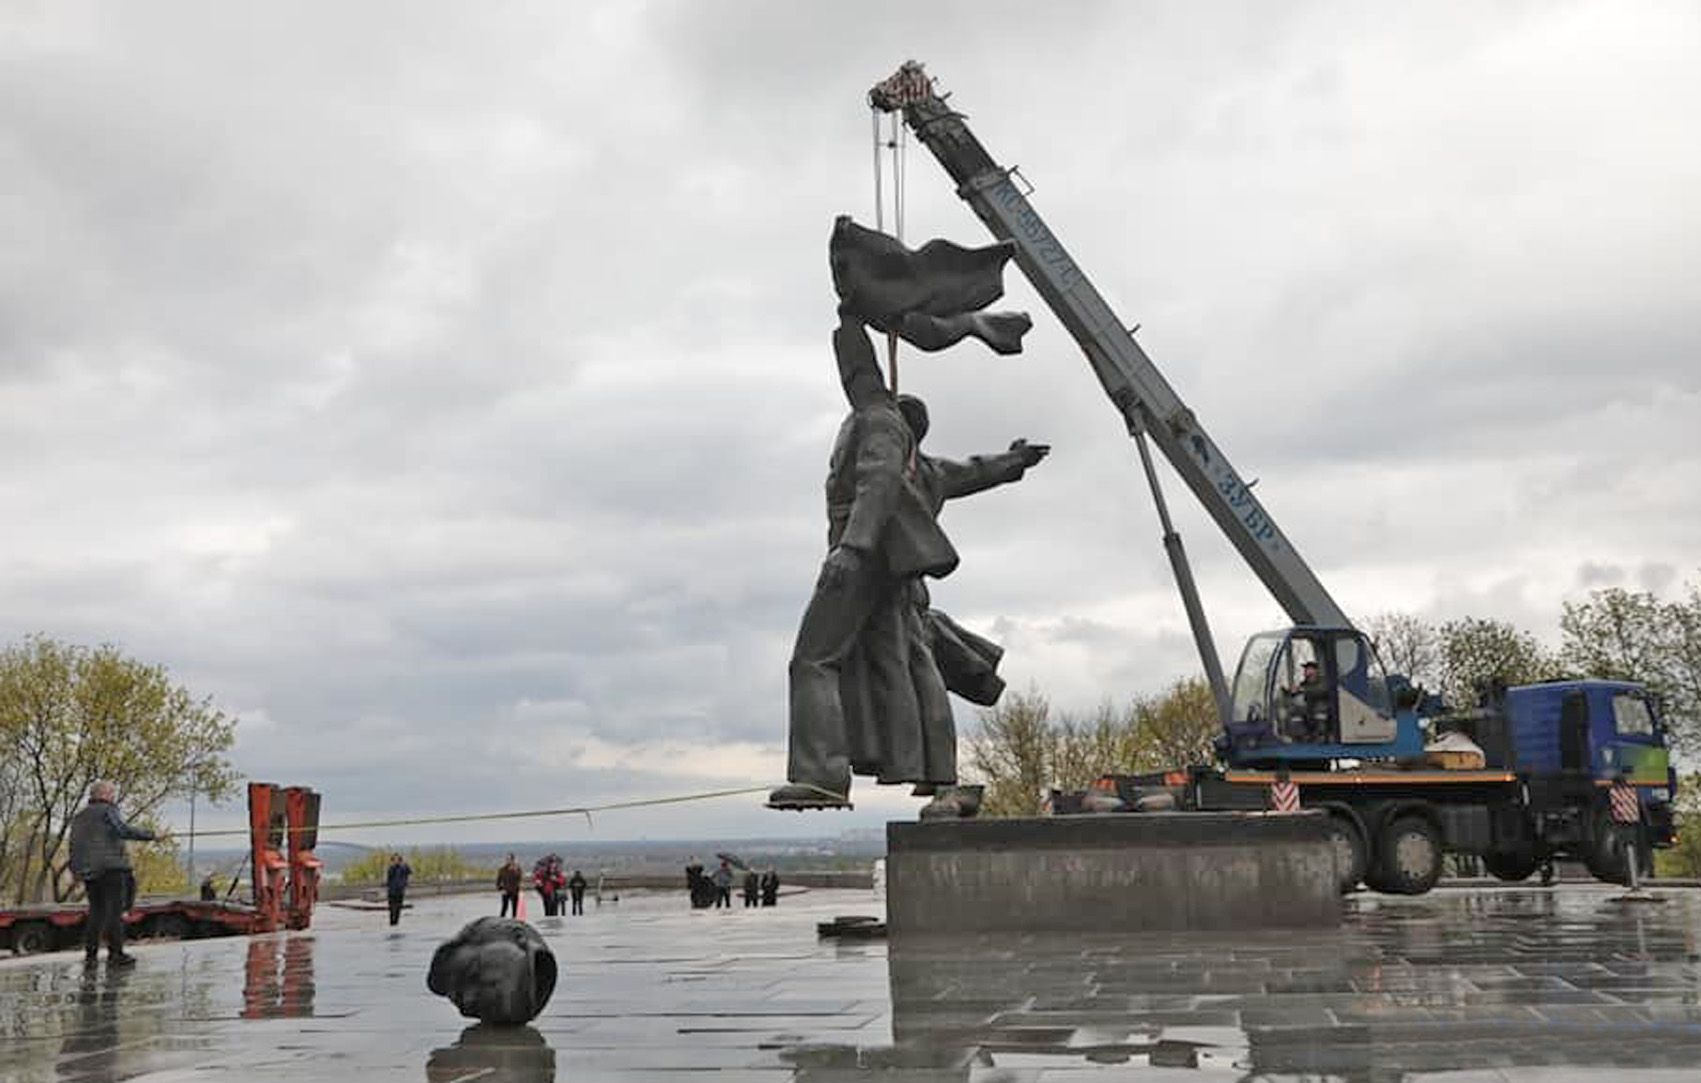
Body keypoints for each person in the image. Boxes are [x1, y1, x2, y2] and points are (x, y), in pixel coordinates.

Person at [68, 780, 156, 966]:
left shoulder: (79, 817)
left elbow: (74, 845)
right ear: (104, 794)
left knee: (96, 912)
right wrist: (150, 835)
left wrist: (77, 871)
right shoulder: (108, 810)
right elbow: (121, 829)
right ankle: (116, 953)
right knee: (115, 911)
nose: (114, 796)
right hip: (113, 868)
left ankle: (91, 956)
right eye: (112, 793)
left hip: (90, 871)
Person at [385, 853, 412, 926]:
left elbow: (409, 871)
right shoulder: (391, 868)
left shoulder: (403, 868)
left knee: (398, 908)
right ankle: (392, 922)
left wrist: (405, 863)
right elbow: (389, 877)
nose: (396, 861)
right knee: (392, 908)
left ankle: (396, 922)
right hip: (392, 891)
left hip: (400, 891)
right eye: (394, 859)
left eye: (398, 859)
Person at [496, 854, 523, 918]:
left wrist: (519, 888)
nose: (508, 861)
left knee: (514, 908)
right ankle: (501, 920)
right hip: (505, 890)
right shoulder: (502, 869)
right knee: (504, 907)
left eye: (510, 859)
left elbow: (519, 879)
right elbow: (498, 881)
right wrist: (501, 889)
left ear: (513, 860)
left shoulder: (517, 869)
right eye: (507, 859)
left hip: (514, 890)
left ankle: (514, 920)